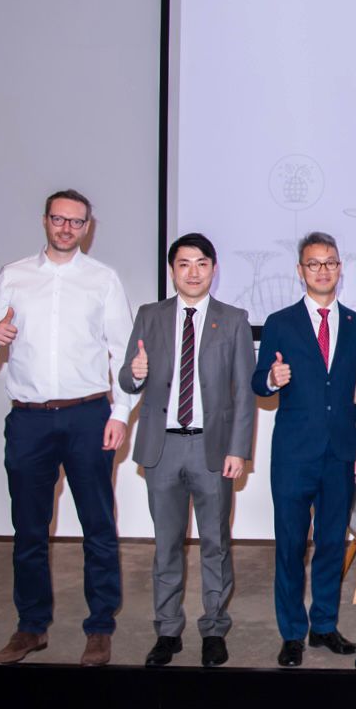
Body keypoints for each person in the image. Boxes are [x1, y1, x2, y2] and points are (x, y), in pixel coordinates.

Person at [0, 189, 134, 667]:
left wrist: (120, 413)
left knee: (98, 526)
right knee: (28, 528)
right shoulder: (14, 276)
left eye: (76, 221)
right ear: (45, 221)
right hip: (28, 419)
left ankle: (99, 627)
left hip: (88, 416)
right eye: (59, 219)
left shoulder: (102, 279)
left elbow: (124, 352)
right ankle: (31, 626)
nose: (66, 228)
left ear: (88, 227)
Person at [117, 233, 255, 668]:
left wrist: (238, 449)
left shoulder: (233, 319)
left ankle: (213, 628)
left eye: (201, 263)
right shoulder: (150, 315)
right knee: (166, 545)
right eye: (183, 264)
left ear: (213, 268)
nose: (193, 272)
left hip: (212, 449)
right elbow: (127, 379)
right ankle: (167, 630)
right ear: (172, 270)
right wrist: (134, 372)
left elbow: (244, 393)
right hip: (162, 448)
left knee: (215, 543)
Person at [252, 231, 356, 667]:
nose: (323, 270)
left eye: (330, 262)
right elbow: (258, 380)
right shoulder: (280, 322)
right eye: (314, 263)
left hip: (341, 453)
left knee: (331, 544)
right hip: (294, 455)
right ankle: (291, 633)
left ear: (340, 268)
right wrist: (272, 379)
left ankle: (324, 625)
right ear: (300, 270)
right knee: (289, 546)